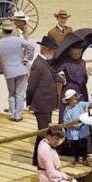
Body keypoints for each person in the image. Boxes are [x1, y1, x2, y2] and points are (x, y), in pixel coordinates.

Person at [0, 19, 35, 122]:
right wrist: (27, 58)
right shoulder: (18, 39)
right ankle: (18, 115)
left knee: (11, 93)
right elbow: (31, 46)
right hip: (21, 69)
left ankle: (12, 114)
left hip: (9, 71)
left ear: (2, 30)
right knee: (20, 93)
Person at [27, 36, 61, 165]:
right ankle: (38, 159)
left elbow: (52, 75)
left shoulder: (45, 62)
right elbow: (31, 87)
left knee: (44, 132)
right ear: (46, 49)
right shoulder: (38, 64)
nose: (53, 52)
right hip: (41, 104)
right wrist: (30, 103)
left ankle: (38, 158)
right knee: (43, 133)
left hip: (47, 103)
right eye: (52, 50)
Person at [61, 90, 92, 164]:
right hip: (73, 130)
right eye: (71, 100)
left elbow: (89, 105)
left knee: (84, 145)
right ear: (68, 101)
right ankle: (76, 158)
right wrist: (72, 125)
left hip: (83, 129)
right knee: (75, 146)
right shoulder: (67, 109)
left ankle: (84, 159)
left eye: (75, 99)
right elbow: (65, 120)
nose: (74, 101)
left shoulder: (81, 104)